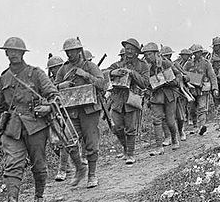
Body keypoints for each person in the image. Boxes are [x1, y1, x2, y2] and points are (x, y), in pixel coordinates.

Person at [0, 37, 60, 202]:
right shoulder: (4, 77)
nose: (13, 54)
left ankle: (39, 197)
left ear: (23, 53)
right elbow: (1, 106)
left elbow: (54, 95)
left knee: (38, 163)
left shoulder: (36, 74)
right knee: (12, 164)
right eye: (10, 51)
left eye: (17, 51)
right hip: (12, 128)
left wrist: (48, 107)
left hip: (35, 125)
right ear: (6, 53)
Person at [55, 37, 106, 188]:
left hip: (89, 110)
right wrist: (61, 86)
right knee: (69, 141)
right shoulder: (63, 69)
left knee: (91, 143)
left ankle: (92, 175)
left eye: (72, 51)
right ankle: (80, 168)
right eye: (67, 52)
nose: (69, 54)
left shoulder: (90, 66)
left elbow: (102, 84)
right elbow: (52, 88)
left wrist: (86, 75)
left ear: (79, 51)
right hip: (71, 112)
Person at [107, 38, 150, 164]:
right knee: (117, 128)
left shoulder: (143, 66)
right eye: (127, 49)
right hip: (118, 100)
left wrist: (132, 73)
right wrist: (113, 72)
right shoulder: (118, 64)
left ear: (137, 52)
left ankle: (130, 154)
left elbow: (145, 83)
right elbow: (106, 73)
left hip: (132, 99)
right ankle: (125, 147)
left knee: (130, 128)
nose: (129, 51)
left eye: (131, 49)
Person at [142, 42, 181, 154]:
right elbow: (145, 82)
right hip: (156, 96)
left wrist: (174, 81)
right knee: (156, 120)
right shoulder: (147, 68)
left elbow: (178, 75)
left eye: (149, 54)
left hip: (169, 94)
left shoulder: (166, 63)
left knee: (170, 121)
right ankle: (159, 147)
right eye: (146, 55)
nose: (148, 57)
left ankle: (174, 139)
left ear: (156, 53)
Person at [46, 55, 73, 181]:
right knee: (54, 142)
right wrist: (60, 86)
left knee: (65, 140)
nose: (54, 71)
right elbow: (46, 93)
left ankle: (62, 169)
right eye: (52, 69)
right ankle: (67, 165)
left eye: (57, 68)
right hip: (54, 113)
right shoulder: (47, 81)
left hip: (68, 112)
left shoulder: (69, 77)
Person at [183, 43, 217, 135]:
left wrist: (214, 88)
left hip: (203, 89)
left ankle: (202, 126)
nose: (196, 54)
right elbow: (183, 74)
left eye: (198, 52)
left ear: (201, 52)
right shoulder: (188, 64)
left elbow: (212, 75)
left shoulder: (206, 63)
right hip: (192, 90)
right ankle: (195, 126)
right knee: (192, 109)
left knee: (202, 108)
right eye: (194, 53)